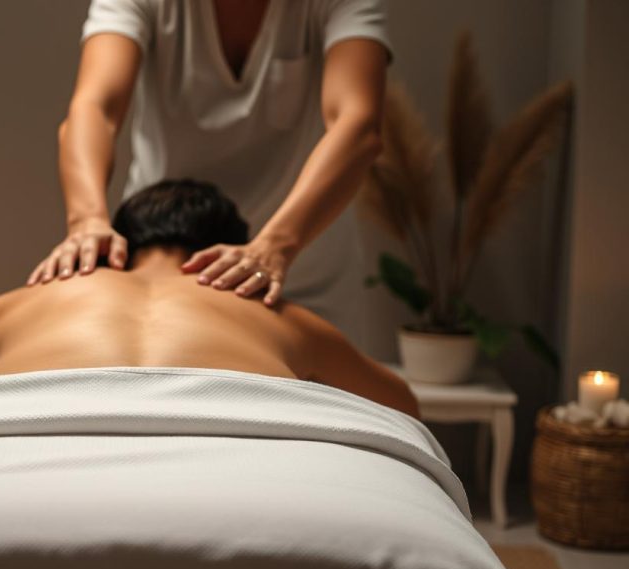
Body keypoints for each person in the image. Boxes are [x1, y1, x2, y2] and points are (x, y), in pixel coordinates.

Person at [0, 179, 418, 419]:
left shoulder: (23, 303)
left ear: (116, 244)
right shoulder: (279, 316)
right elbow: (401, 404)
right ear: (230, 251)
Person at [26, 0, 390, 347]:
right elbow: (95, 108)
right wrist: (86, 220)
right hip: (165, 260)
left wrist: (276, 246)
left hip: (301, 264)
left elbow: (358, 124)